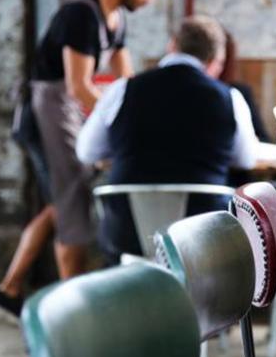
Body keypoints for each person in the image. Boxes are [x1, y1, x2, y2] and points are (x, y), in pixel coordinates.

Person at [0, 0, 163, 325]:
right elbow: (79, 86)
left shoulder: (116, 19)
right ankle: (74, 315)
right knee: (72, 202)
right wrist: (122, 123)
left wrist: (142, 111)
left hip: (70, 108)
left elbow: (126, 83)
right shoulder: (80, 13)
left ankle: (8, 291)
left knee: (60, 203)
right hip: (50, 105)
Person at [76, 15, 265, 265]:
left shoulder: (123, 89)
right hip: (202, 234)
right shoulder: (230, 98)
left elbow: (86, 151)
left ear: (172, 45)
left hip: (128, 231)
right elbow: (246, 159)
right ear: (215, 61)